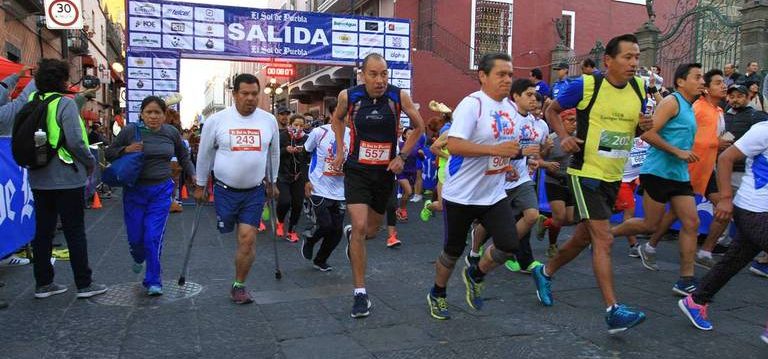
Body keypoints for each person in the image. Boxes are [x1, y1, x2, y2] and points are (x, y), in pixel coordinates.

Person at [534, 34, 653, 333]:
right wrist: (563, 136)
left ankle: (544, 272)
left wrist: (644, 125)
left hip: (614, 175)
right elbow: (551, 110)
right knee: (604, 238)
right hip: (586, 173)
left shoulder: (639, 88)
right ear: (608, 61)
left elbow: (635, 125)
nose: (634, 63)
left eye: (637, 57)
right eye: (628, 57)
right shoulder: (587, 85)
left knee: (582, 238)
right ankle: (613, 310)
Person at [426, 52, 538, 320]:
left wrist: (512, 160)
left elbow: (504, 148)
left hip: (493, 194)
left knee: (509, 244)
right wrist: (494, 150)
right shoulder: (472, 105)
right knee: (453, 251)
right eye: (501, 74)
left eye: (510, 75)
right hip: (461, 194)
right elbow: (454, 145)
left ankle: (475, 274)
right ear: (483, 76)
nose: (507, 80)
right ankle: (437, 293)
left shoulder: (510, 109)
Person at [329, 53, 425, 318]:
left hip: (384, 173)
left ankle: (354, 235)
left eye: (384, 73)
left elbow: (419, 126)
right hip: (357, 169)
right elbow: (336, 119)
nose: (380, 80)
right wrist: (340, 150)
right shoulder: (349, 97)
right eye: (374, 74)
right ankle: (360, 293)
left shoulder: (398, 97)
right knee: (360, 226)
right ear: (363, 74)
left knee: (371, 229)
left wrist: (402, 156)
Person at [611, 63, 704, 296]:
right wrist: (677, 152)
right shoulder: (672, 102)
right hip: (658, 172)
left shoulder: (691, 106)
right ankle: (605, 235)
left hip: (679, 175)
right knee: (649, 224)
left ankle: (685, 280)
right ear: (681, 81)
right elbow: (647, 133)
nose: (702, 81)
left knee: (691, 223)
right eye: (697, 77)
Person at [678, 120, 768, 344]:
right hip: (752, 209)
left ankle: (696, 301)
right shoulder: (763, 130)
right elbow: (726, 158)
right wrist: (725, 198)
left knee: (734, 260)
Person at [194, 74, 280, 304]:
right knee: (231, 232)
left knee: (247, 238)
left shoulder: (268, 120)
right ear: (235, 94)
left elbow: (274, 153)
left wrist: (273, 181)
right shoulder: (217, 121)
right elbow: (205, 154)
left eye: (255, 94)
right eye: (245, 93)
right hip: (224, 190)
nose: (250, 98)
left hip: (254, 190)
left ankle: (239, 285)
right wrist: (200, 184)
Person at [26, 59, 108, 299]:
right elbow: (75, 141)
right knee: (74, 231)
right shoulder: (65, 104)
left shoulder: (33, 101)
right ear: (62, 80)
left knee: (43, 231)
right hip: (66, 176)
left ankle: (43, 283)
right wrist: (90, 162)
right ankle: (84, 283)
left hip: (38, 176)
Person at [639, 69, 731, 270]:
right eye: (717, 83)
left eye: (723, 82)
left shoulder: (717, 111)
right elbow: (676, 133)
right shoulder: (695, 107)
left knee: (694, 218)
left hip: (704, 167)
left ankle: (696, 261)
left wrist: (715, 145)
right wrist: (710, 144)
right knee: (661, 220)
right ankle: (639, 243)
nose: (723, 86)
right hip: (686, 167)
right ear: (706, 89)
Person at [106, 96, 195, 295]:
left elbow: (183, 155)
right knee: (136, 238)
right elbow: (109, 153)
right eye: (149, 112)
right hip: (134, 191)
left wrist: (194, 174)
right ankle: (138, 256)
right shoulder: (130, 131)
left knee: (153, 236)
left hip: (161, 191)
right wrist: (125, 149)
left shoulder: (171, 132)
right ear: (141, 114)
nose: (153, 117)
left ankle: (153, 279)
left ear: (164, 115)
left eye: (158, 113)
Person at [466, 78, 551, 274]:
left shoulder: (534, 122)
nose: (534, 100)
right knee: (487, 225)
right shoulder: (506, 118)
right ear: (516, 97)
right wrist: (506, 166)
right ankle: (474, 250)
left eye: (535, 96)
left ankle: (504, 248)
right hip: (498, 180)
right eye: (529, 95)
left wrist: (539, 155)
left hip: (521, 180)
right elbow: (493, 147)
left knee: (532, 216)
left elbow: (535, 152)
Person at [300, 117, 350, 271]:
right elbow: (304, 153)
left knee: (336, 232)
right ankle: (310, 239)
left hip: (340, 190)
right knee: (326, 225)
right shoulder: (319, 132)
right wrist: (306, 180)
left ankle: (321, 260)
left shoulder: (352, 134)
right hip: (319, 186)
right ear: (333, 113)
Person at [539, 108, 578, 258]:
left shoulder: (578, 137)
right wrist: (546, 152)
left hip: (570, 181)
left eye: (576, 121)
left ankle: (545, 223)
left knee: (569, 219)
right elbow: (539, 158)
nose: (574, 124)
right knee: (560, 217)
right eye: (570, 120)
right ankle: (552, 245)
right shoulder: (551, 139)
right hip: (553, 180)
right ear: (561, 122)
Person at [276, 114, 309, 242]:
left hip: (299, 176)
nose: (299, 128)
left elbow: (311, 155)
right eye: (296, 125)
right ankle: (280, 221)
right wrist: (286, 150)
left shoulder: (306, 138)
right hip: (283, 174)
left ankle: (291, 231)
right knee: (285, 201)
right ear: (290, 124)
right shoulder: (283, 136)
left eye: (301, 125)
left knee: (297, 204)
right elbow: (274, 152)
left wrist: (303, 152)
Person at [395, 127, 424, 221]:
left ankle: (401, 210)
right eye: (408, 134)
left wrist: (421, 154)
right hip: (401, 171)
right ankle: (401, 209)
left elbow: (422, 158)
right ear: (404, 135)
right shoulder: (400, 145)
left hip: (412, 172)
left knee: (406, 194)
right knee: (408, 191)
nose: (411, 136)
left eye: (412, 134)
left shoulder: (417, 145)